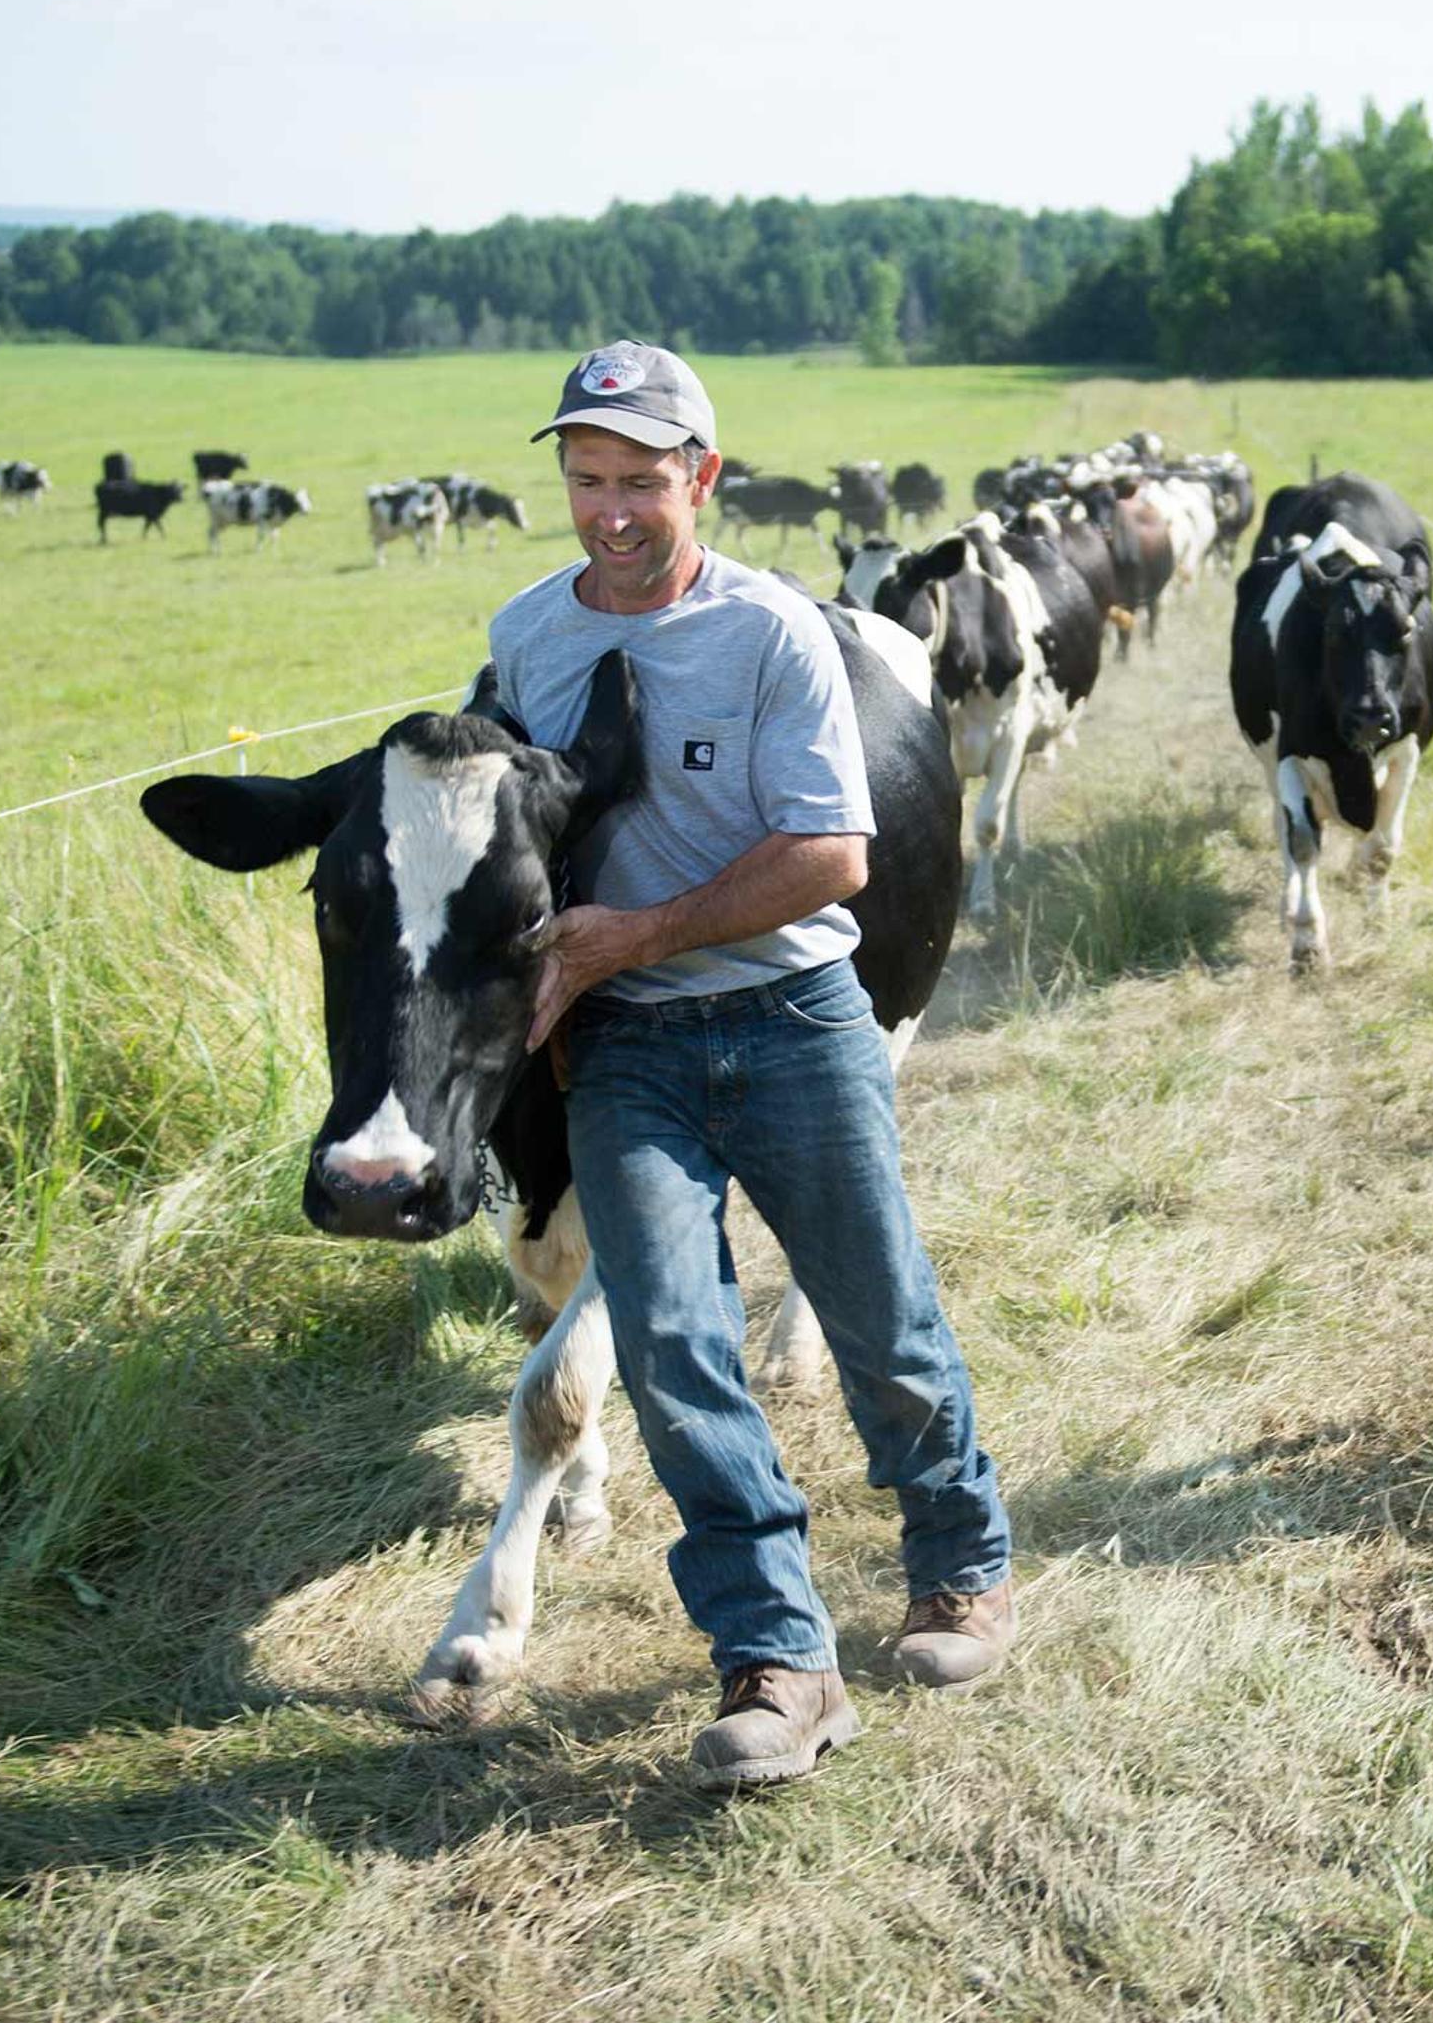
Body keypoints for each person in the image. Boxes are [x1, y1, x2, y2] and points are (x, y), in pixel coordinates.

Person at [489, 340, 1015, 1786]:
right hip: (626, 1050)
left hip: (792, 1022)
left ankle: (961, 1560)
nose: (611, 511)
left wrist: (632, 934)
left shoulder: (776, 634)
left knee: (878, 1315)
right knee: (674, 1354)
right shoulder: (527, 637)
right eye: (588, 479)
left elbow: (835, 858)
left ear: (702, 480)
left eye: (642, 483)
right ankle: (779, 1657)